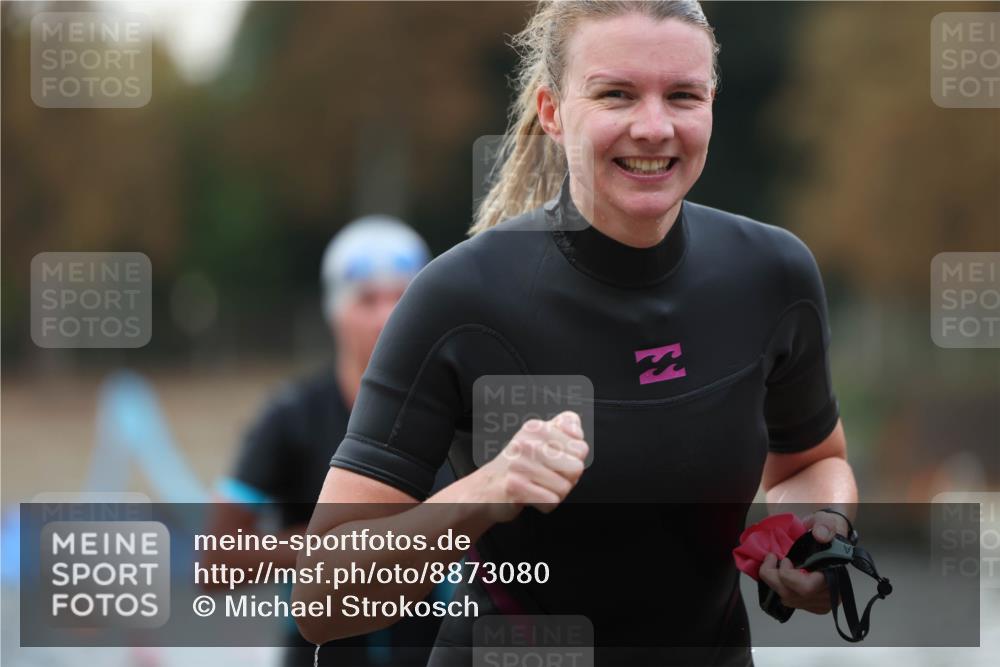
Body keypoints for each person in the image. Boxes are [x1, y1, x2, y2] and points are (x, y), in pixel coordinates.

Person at [293, 2, 858, 666]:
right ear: (553, 112)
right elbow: (324, 600)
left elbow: (811, 462)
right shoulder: (460, 302)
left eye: (683, 95)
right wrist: (488, 490)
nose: (654, 127)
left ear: (711, 103)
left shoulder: (771, 274)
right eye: (615, 94)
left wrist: (820, 538)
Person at [206, 215, 454, 667]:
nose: (386, 316)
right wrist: (339, 548)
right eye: (367, 299)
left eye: (402, 296)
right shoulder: (290, 417)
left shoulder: (464, 418)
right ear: (335, 310)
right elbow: (215, 563)